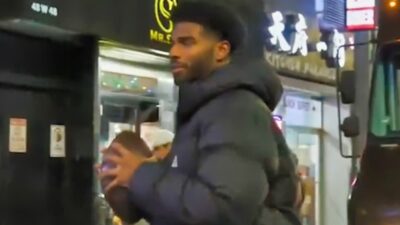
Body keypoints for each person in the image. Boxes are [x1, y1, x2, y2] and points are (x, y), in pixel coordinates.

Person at [99, 1, 298, 225]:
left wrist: (140, 175)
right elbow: (179, 208)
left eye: (187, 42)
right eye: (173, 43)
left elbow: (223, 209)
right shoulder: (204, 111)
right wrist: (119, 180)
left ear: (221, 50)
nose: (173, 52)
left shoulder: (235, 110)